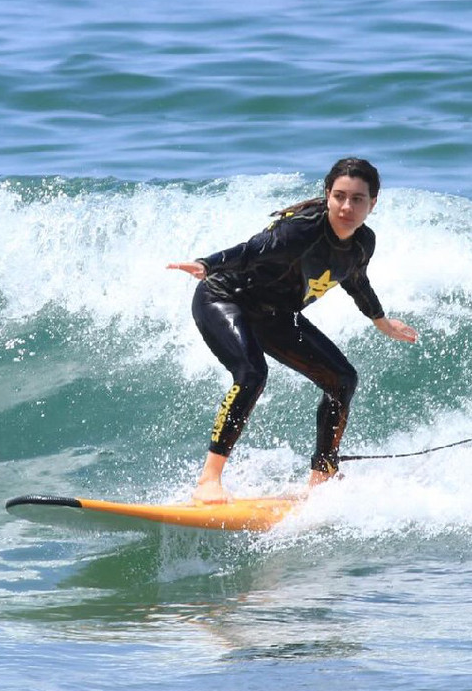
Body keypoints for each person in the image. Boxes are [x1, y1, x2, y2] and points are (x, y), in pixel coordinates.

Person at [167, 157, 417, 503]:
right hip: (224, 297)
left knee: (342, 380)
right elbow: (251, 251)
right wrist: (208, 264)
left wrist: (381, 320)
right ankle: (209, 481)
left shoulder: (362, 243)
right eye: (340, 196)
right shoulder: (302, 229)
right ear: (327, 194)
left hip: (276, 313)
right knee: (252, 374)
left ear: (373, 203)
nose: (347, 206)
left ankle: (322, 475)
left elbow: (355, 280)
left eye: (357, 198)